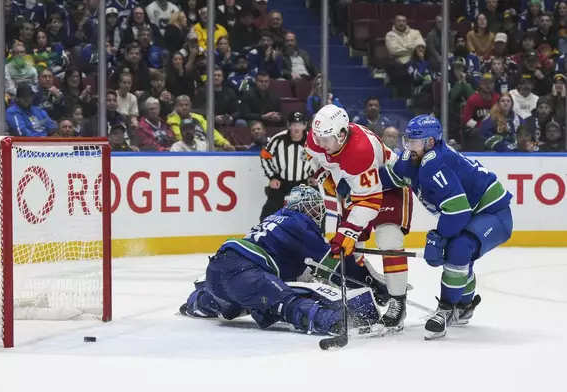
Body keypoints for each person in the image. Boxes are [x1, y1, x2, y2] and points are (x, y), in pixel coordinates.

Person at [180, 185, 383, 336]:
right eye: (313, 208)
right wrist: (368, 281)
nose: (316, 214)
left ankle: (196, 301)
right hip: (246, 272)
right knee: (287, 302)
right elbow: (331, 264)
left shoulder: (275, 217)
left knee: (236, 303)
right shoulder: (300, 222)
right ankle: (333, 321)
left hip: (218, 269)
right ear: (304, 207)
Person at [379, 115, 513, 340]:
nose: (409, 146)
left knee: (459, 249)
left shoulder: (435, 163)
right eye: (408, 140)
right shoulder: (414, 159)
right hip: (470, 213)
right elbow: (392, 177)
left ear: (430, 142)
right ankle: (465, 304)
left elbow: (458, 210)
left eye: (415, 141)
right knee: (459, 253)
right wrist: (355, 185)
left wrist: (439, 238)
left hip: (493, 214)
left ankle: (447, 308)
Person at [305, 104, 413, 331]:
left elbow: (370, 201)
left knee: (388, 240)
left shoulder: (360, 150)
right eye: (319, 138)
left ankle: (397, 301)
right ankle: (372, 283)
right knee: (351, 249)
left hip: (387, 185)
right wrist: (325, 175)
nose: (322, 145)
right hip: (358, 187)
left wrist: (347, 231)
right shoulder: (319, 138)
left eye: (327, 140)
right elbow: (315, 157)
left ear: (342, 134)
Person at [259, 112, 311, 221]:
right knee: (270, 210)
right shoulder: (279, 139)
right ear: (288, 125)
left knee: (315, 208)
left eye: (299, 124)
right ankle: (262, 233)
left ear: (305, 125)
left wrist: (314, 175)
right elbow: (264, 156)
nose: (296, 127)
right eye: (293, 124)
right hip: (282, 181)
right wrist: (272, 177)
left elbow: (320, 159)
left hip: (304, 181)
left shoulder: (311, 140)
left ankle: (319, 234)